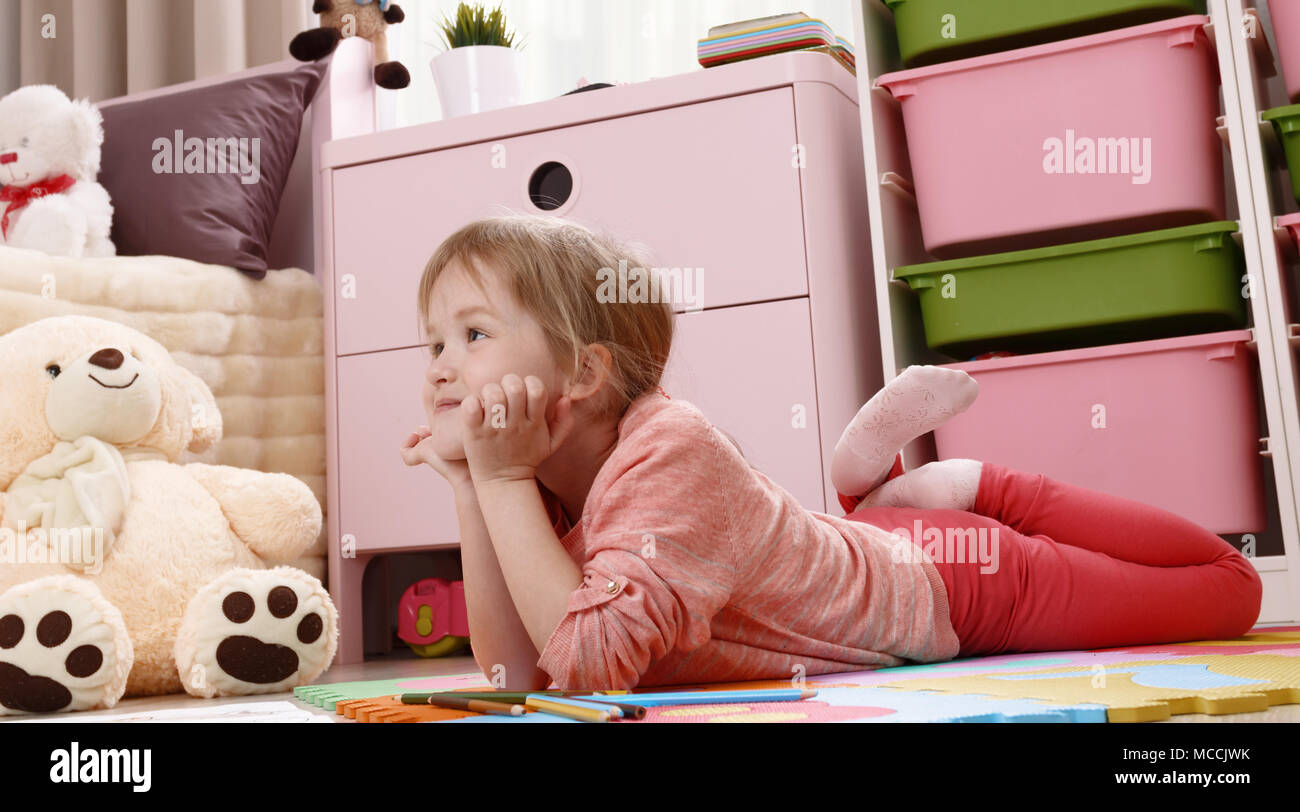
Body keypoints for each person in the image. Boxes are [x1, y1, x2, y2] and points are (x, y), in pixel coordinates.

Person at [399, 213, 1263, 692]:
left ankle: (977, 486)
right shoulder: (540, 485)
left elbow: (589, 667)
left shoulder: (670, 448)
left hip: (960, 584)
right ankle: (895, 492)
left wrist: (501, 475)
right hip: (873, 554)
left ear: (585, 372)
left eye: (472, 334)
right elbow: (522, 671)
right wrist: (477, 491)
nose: (440, 367)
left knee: (1231, 588)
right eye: (433, 343)